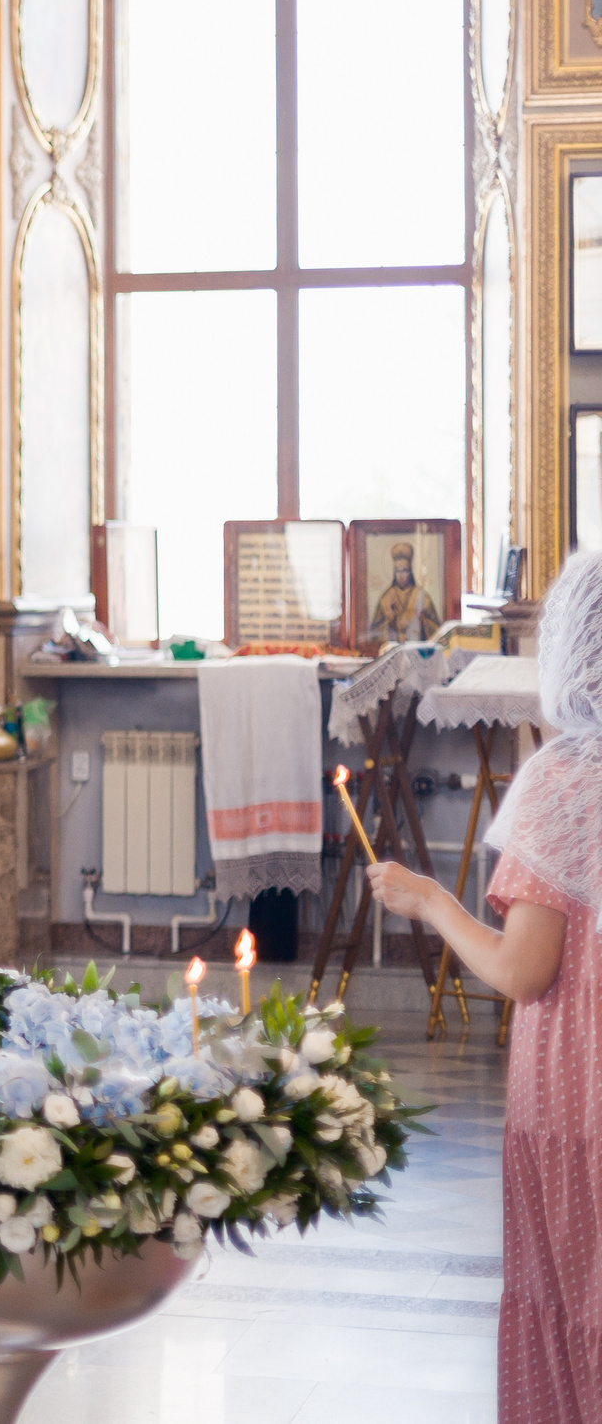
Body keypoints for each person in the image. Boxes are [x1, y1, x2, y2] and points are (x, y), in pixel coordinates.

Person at [365, 552, 600, 1420]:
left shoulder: (566, 781)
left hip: (583, 1096)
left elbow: (522, 968)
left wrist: (428, 898)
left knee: (577, 1304)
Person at [367, 540, 441, 646]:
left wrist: (423, 621)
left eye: (405, 571)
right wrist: (390, 621)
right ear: (394, 572)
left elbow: (437, 630)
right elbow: (374, 632)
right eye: (398, 571)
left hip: (418, 650)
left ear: (410, 572)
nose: (401, 575)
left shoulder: (421, 596)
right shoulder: (387, 597)